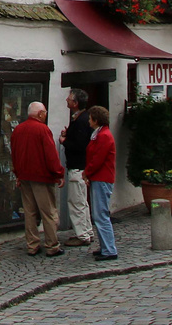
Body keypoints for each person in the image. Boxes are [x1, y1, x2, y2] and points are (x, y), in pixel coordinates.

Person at [9, 100, 65, 257]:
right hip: (41, 178)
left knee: (30, 212)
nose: (46, 114)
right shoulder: (42, 130)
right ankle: (52, 245)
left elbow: (14, 154)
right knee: (48, 212)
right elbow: (51, 155)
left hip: (25, 176)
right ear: (40, 114)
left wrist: (18, 174)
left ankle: (32, 245)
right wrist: (59, 173)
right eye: (45, 112)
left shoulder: (18, 130)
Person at [58, 89, 94, 247]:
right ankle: (87, 231)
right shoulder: (81, 118)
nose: (66, 100)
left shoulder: (81, 120)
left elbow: (80, 145)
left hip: (78, 168)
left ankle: (82, 235)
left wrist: (64, 141)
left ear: (75, 103)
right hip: (81, 168)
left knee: (76, 202)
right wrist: (69, 134)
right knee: (82, 202)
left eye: (69, 98)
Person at [84, 105, 118, 260]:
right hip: (99, 178)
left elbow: (98, 159)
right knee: (98, 214)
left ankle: (109, 249)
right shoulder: (99, 134)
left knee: (101, 214)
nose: (89, 121)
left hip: (102, 178)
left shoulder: (103, 136)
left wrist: (87, 172)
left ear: (96, 120)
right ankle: (105, 246)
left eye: (91, 118)